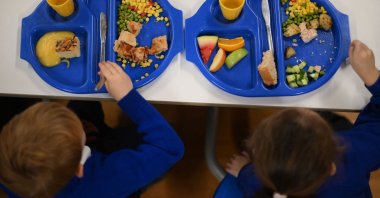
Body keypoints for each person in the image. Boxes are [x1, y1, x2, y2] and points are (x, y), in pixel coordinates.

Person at [0, 61, 184, 197]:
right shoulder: (108, 180)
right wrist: (127, 97)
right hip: (113, 178)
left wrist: (77, 143)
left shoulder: (11, 175)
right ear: (79, 169)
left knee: (84, 105)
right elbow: (169, 146)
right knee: (158, 134)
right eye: (79, 130)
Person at [225, 40, 380, 198]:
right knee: (340, 123)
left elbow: (252, 182)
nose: (300, 108)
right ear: (331, 167)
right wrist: (372, 76)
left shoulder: (260, 183)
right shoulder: (353, 153)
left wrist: (243, 170)